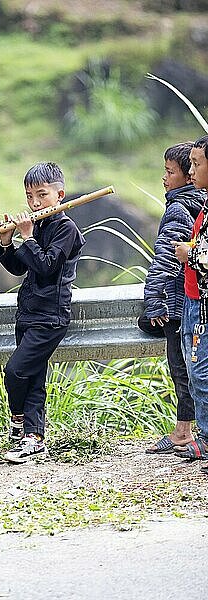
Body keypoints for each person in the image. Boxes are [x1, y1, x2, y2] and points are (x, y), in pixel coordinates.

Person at [0, 162, 85, 463]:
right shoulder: (39, 225)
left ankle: (18, 421)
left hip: (51, 316)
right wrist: (8, 243)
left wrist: (28, 236)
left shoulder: (66, 229)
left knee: (15, 371)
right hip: (29, 311)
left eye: (42, 195)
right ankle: (34, 438)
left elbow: (47, 266)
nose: (35, 203)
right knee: (33, 378)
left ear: (60, 194)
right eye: (30, 196)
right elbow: (22, 268)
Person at [138, 143, 205, 454]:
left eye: (170, 172)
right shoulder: (200, 204)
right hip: (192, 296)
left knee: (183, 368)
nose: (165, 178)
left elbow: (165, 259)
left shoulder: (179, 208)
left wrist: (154, 300)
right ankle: (187, 431)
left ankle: (186, 432)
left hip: (178, 301)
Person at [172, 135, 208, 471]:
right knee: (197, 371)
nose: (191, 170)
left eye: (197, 164)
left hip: (203, 304)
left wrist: (190, 253)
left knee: (201, 371)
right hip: (195, 298)